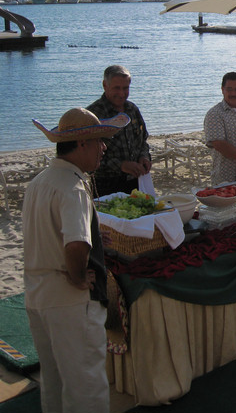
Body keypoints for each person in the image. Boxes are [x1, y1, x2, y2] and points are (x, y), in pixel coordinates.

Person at [24, 107, 130, 413]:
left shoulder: (41, 181)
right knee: (86, 386)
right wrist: (78, 277)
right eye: (99, 141)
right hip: (69, 301)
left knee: (54, 380)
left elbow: (49, 234)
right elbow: (74, 244)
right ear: (82, 145)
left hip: (37, 295)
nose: (104, 147)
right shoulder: (72, 188)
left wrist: (95, 239)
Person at [87, 65, 151, 196]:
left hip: (136, 182)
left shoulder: (132, 109)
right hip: (105, 185)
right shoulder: (93, 114)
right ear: (105, 85)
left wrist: (144, 157)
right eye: (117, 88)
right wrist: (121, 165)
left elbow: (143, 141)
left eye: (125, 88)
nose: (122, 94)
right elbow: (87, 158)